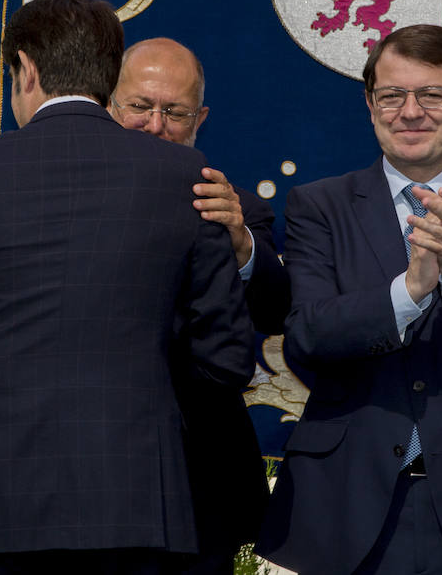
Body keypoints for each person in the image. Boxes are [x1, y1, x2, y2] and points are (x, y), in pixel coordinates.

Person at [0, 0, 255, 575]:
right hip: (133, 503)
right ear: (108, 75)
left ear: (25, 69)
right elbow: (226, 361)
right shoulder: (185, 178)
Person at [256, 24, 442, 575]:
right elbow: (308, 336)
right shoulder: (319, 206)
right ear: (371, 105)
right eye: (392, 95)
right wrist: (411, 289)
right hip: (343, 506)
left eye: (431, 95)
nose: (410, 111)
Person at [110, 37, 291, 574]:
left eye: (176, 112)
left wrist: (240, 242)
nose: (156, 125)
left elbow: (276, 312)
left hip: (199, 481)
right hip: (78, 471)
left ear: (200, 119)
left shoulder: (234, 206)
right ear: (109, 103)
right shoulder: (59, 196)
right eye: (141, 107)